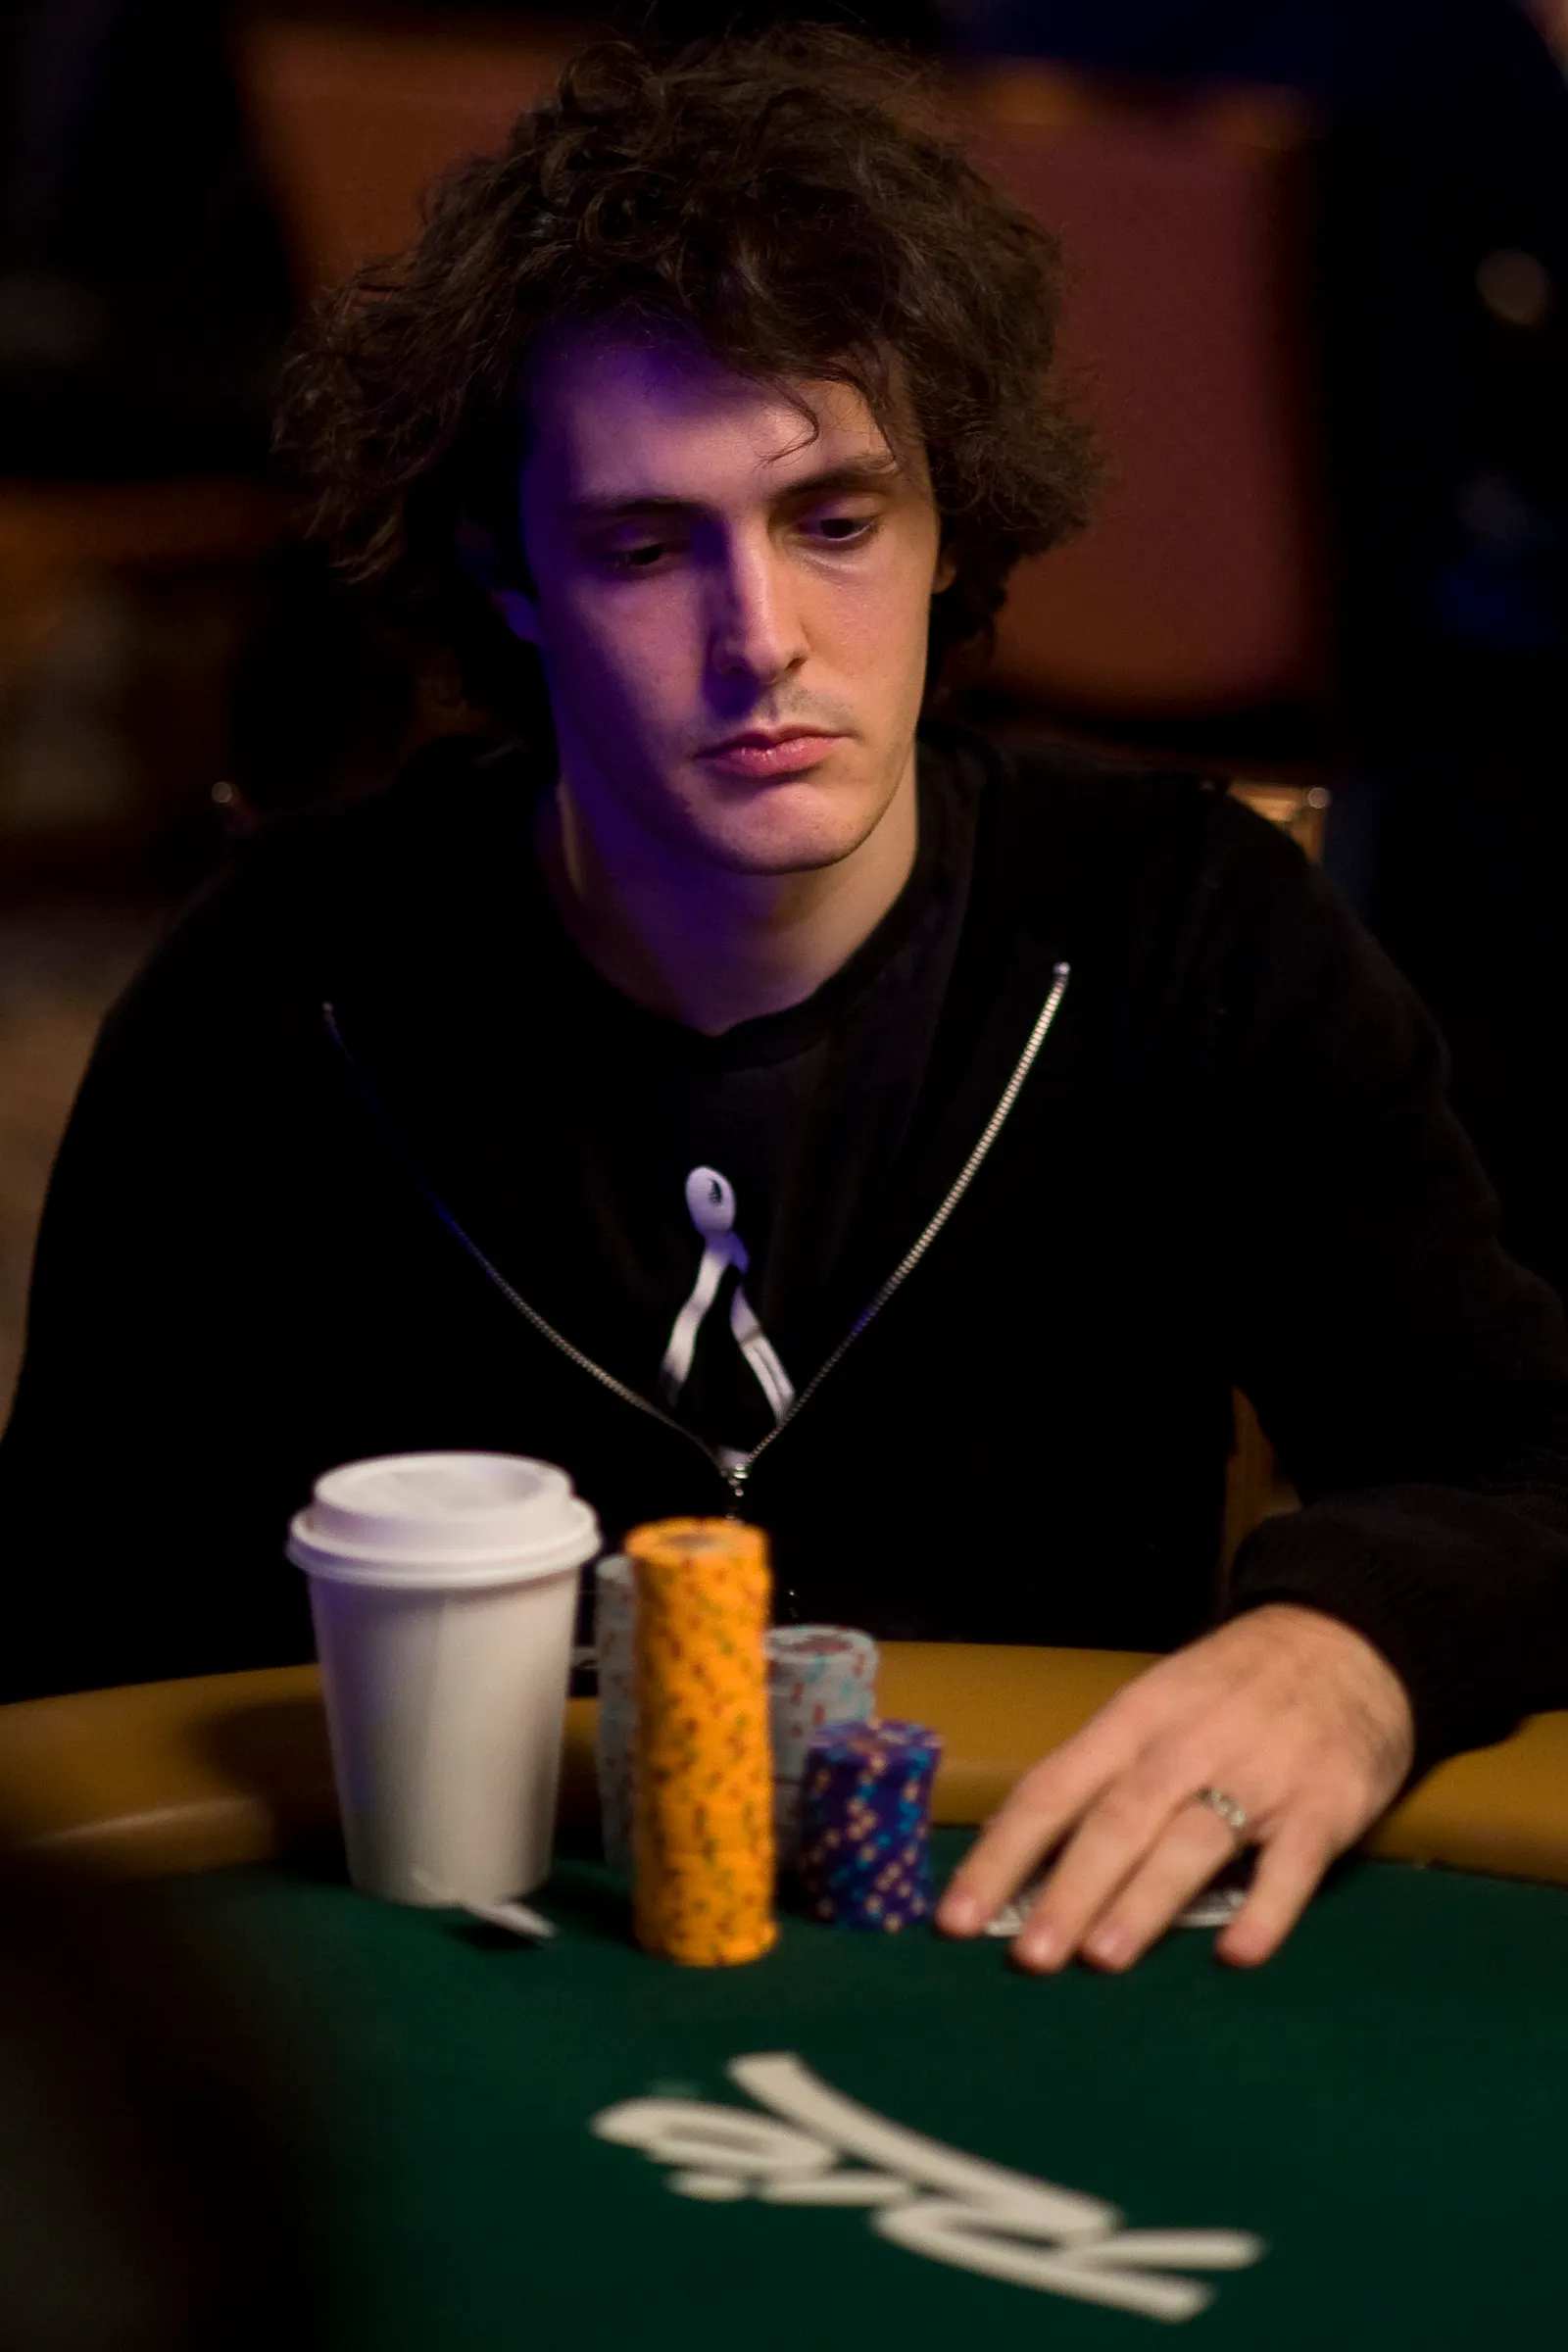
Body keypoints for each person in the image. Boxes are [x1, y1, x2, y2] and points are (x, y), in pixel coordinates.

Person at [3, 31, 1567, 1978]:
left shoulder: (1184, 928)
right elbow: (72, 1645)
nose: (761, 641)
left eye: (834, 521)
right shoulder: (277, 991)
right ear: (505, 572)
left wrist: (1348, 1645)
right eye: (646, 547)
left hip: (1039, 1963)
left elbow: (1520, 1461)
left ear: (947, 524)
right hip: (448, 1970)